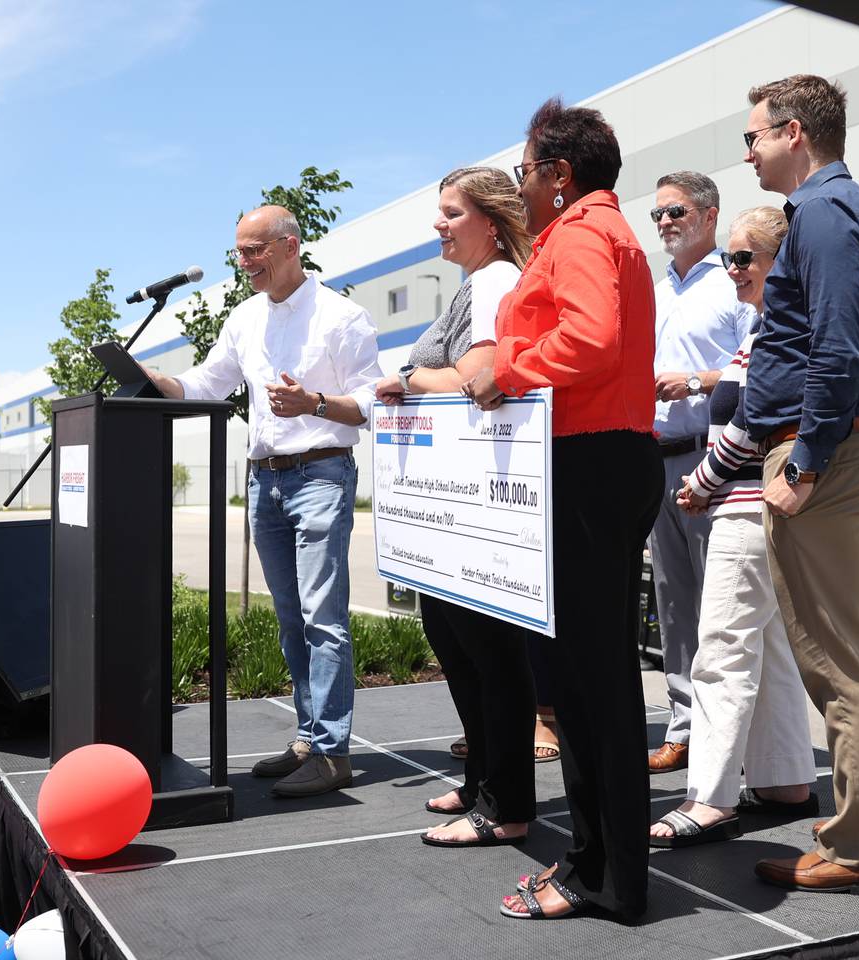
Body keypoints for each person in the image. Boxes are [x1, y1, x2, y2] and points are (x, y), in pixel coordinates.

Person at [463, 97, 661, 921]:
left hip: (591, 464)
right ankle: (601, 865)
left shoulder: (581, 233)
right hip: (601, 461)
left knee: (591, 685)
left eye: (525, 170)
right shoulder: (598, 232)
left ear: (559, 175)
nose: (522, 184)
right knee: (595, 681)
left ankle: (604, 875)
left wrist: (505, 373)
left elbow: (591, 339)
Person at [740, 75, 859, 895]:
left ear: (794, 132)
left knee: (836, 657)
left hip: (827, 452)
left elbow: (838, 347)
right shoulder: (852, 210)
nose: (747, 151)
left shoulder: (819, 214)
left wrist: (807, 462)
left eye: (753, 136)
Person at [148, 204, 381, 798]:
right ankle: (308, 738)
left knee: (321, 617)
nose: (244, 263)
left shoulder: (342, 316)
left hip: (321, 474)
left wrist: (314, 404)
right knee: (288, 618)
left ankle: (332, 753)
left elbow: (371, 406)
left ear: (289, 246)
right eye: (239, 253)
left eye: (254, 251)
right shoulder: (244, 318)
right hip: (264, 480)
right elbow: (209, 383)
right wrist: (159, 382)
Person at [371, 166, 539, 846]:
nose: (438, 224)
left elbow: (479, 378)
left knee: (489, 653)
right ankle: (483, 783)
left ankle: (506, 804)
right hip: (453, 499)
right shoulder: (474, 285)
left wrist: (409, 380)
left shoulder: (496, 281)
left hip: (479, 499)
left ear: (491, 223)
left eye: (450, 213)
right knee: (456, 642)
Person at [648, 206, 818, 848]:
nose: (732, 268)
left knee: (720, 651)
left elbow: (752, 418)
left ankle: (709, 798)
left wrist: (704, 480)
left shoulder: (778, 328)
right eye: (730, 258)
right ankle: (785, 782)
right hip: (753, 500)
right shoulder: (769, 325)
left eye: (745, 258)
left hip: (744, 500)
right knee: (769, 649)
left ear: (783, 262)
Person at [644, 172, 757, 775]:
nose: (664, 222)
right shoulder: (653, 290)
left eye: (676, 211)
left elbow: (757, 369)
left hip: (714, 463)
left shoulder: (734, 282)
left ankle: (731, 739)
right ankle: (685, 727)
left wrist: (694, 381)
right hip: (656, 460)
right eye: (658, 214)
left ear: (709, 215)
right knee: (674, 604)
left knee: (723, 607)